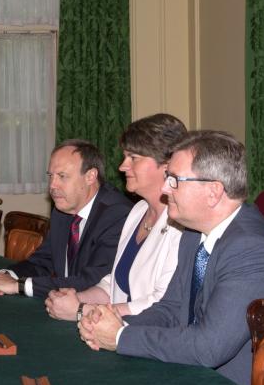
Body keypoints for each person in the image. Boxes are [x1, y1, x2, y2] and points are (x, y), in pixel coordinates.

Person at [78, 130, 264, 385]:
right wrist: (112, 324)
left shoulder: (251, 248)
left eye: (174, 180)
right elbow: (171, 309)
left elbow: (209, 347)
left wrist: (120, 337)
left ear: (214, 192)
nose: (163, 188)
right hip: (188, 376)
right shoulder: (193, 232)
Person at [46, 114, 187, 322]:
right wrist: (77, 298)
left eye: (133, 158)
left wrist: (83, 310)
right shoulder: (138, 210)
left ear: (166, 165)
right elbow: (114, 283)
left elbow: (162, 302)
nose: (122, 166)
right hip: (116, 330)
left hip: (147, 339)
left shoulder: (182, 225)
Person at [0, 139, 132, 299]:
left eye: (62, 176)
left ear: (90, 176)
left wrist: (20, 286)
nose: (53, 185)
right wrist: (9, 275)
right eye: (51, 176)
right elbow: (45, 260)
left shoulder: (117, 215)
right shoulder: (64, 207)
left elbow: (91, 281)